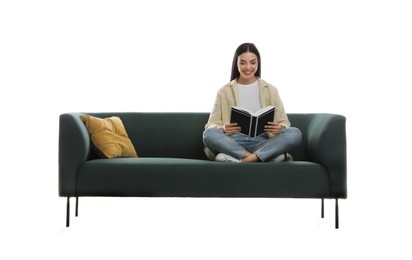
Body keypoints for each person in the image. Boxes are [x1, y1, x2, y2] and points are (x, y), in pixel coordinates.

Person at [202, 42, 302, 163]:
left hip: (262, 142)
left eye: (253, 62)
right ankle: (259, 157)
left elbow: (285, 123)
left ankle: (243, 160)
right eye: (243, 62)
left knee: (295, 133)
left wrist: (280, 128)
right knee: (208, 134)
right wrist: (223, 128)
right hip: (233, 142)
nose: (248, 67)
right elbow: (211, 126)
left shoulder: (270, 89)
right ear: (236, 63)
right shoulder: (224, 91)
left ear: (258, 63)